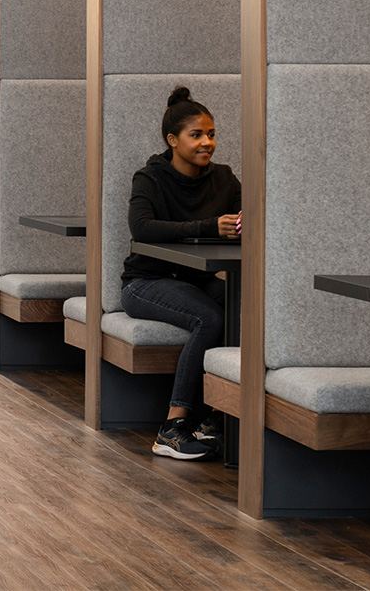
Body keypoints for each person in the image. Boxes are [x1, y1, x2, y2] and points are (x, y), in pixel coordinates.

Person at [120, 86, 242, 461]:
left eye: (212, 134)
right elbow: (141, 229)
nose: (207, 142)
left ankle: (217, 417)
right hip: (147, 283)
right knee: (210, 318)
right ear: (173, 140)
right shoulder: (150, 178)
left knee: (243, 311)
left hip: (197, 279)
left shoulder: (224, 178)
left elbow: (244, 223)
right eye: (197, 135)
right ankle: (172, 428)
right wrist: (208, 227)